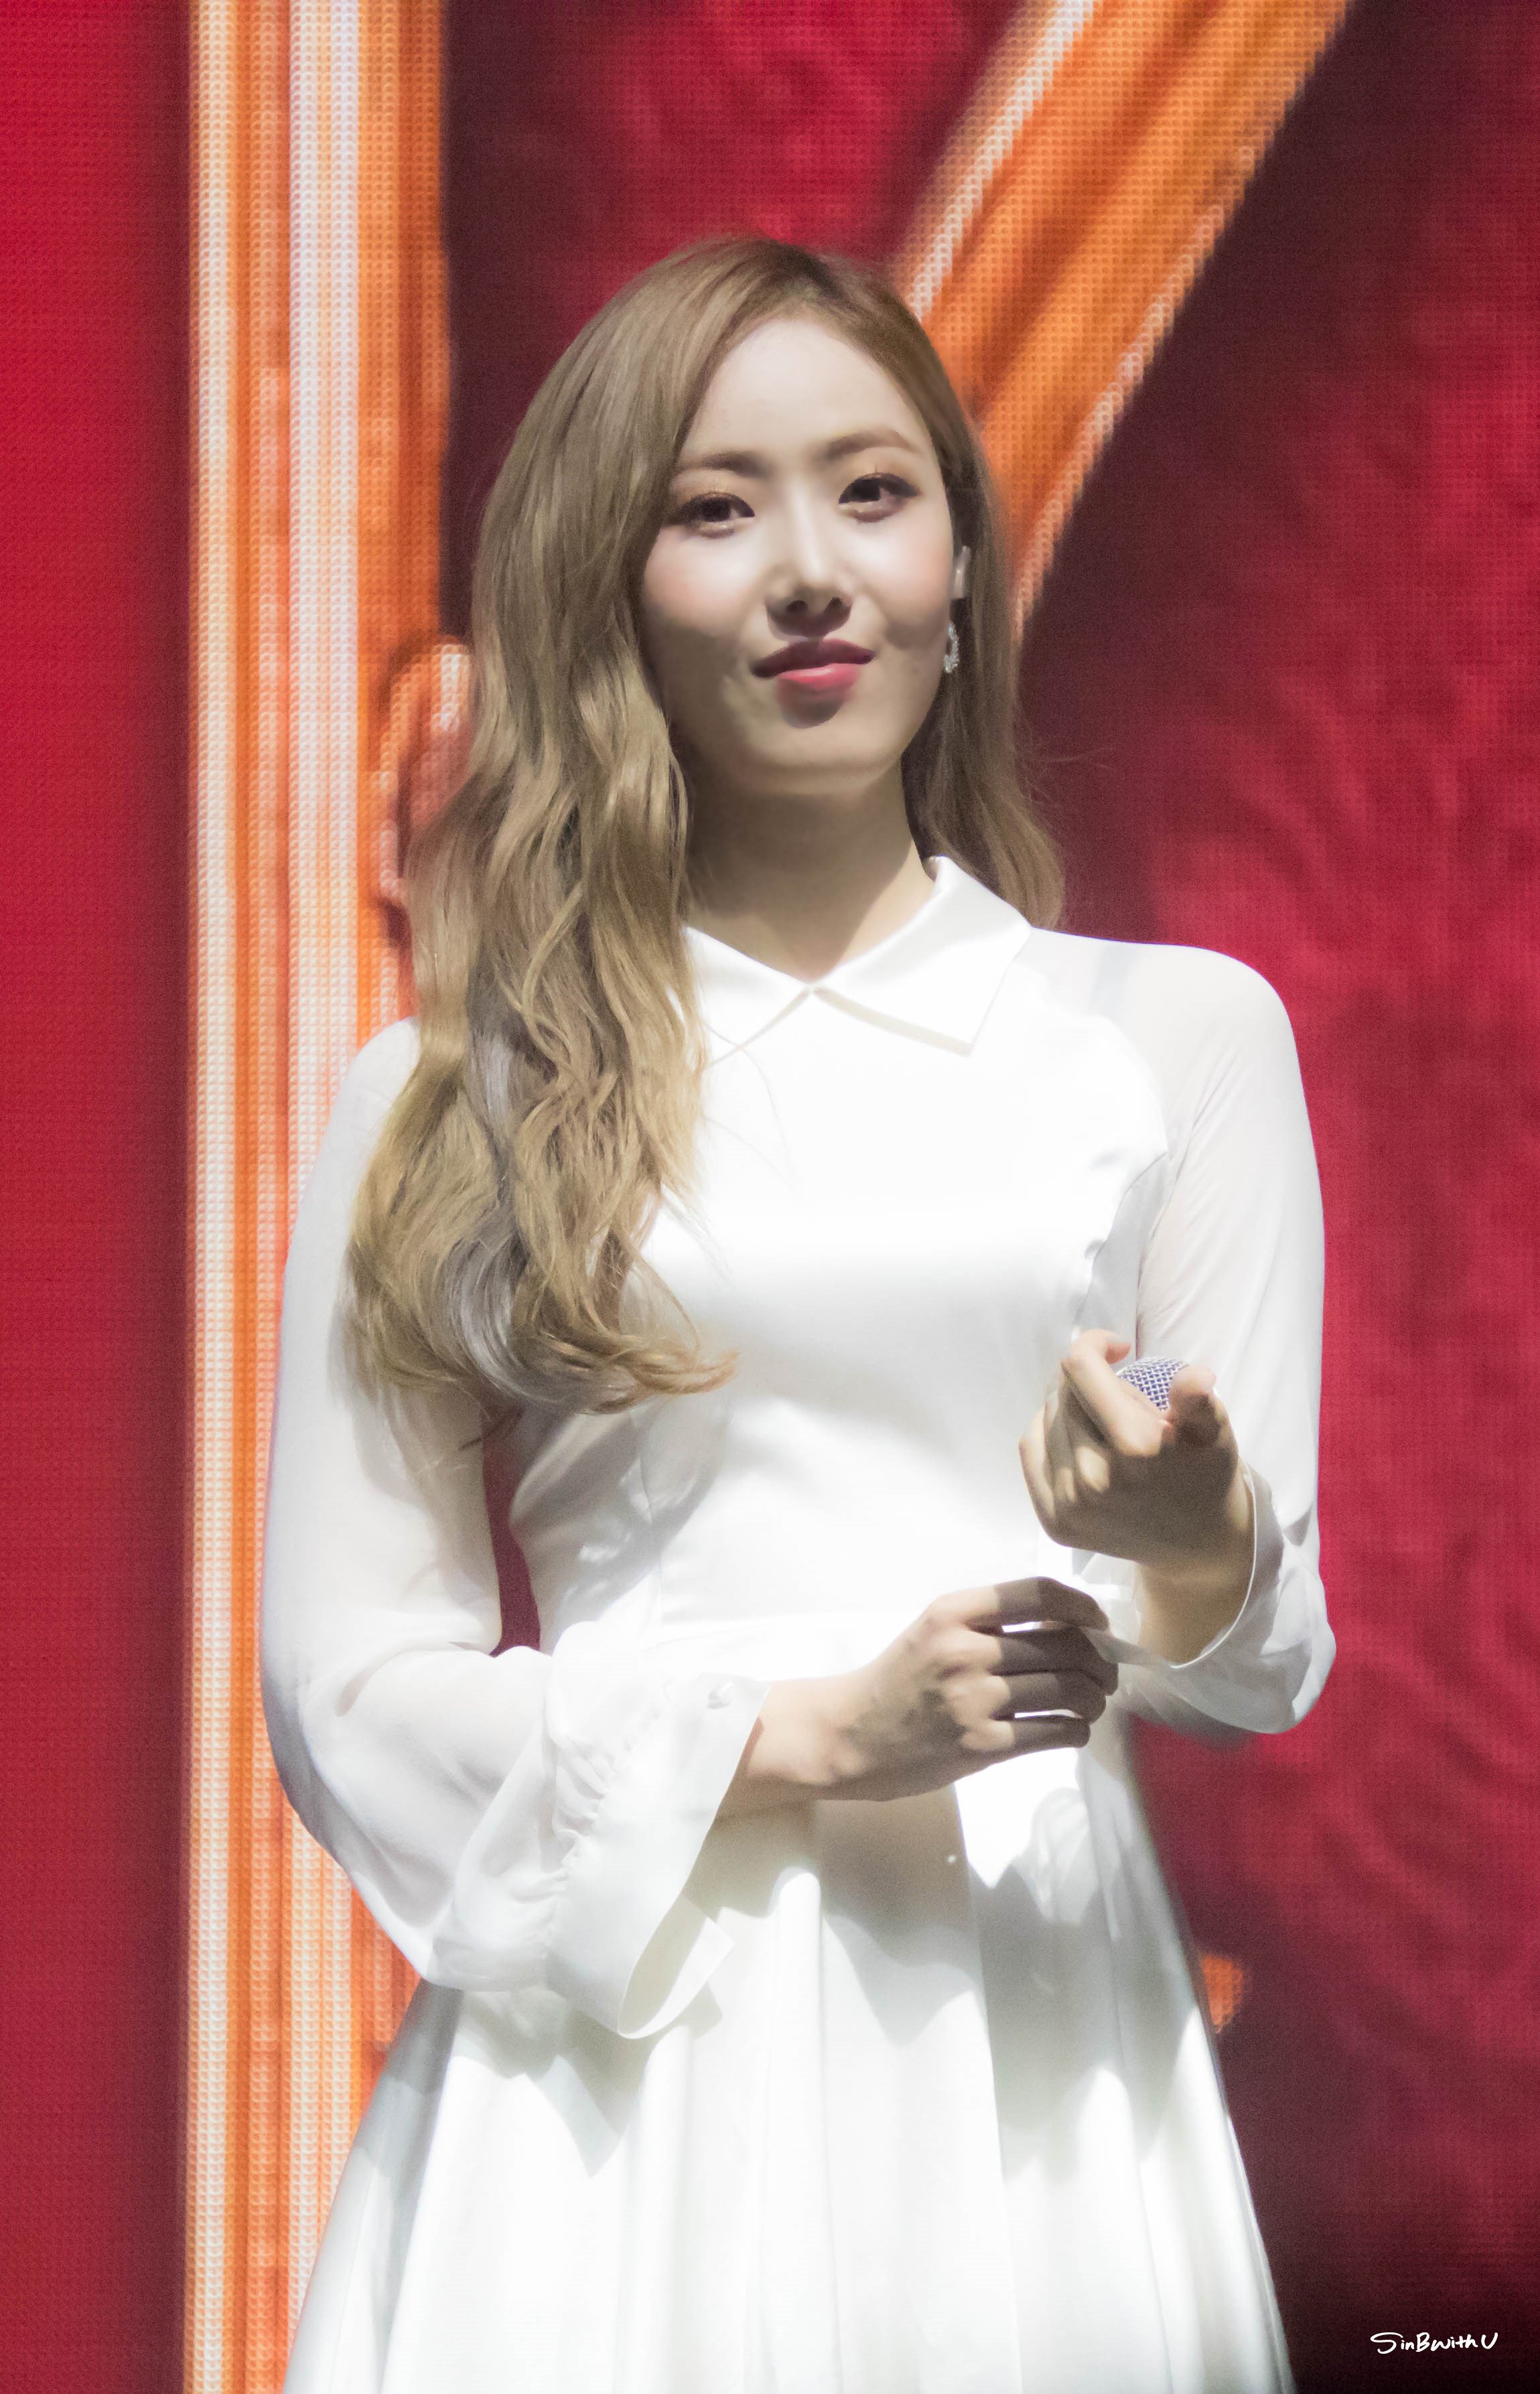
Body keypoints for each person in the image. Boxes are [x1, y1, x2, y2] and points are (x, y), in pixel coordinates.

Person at [261, 234, 1334, 2393]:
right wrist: (805, 1736)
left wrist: (1186, 1527)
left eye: (870, 491)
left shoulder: (1170, 1038)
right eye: (714, 507)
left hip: (1030, 2053)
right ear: (609, 588)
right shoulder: (444, 1099)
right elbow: (345, 1688)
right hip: (609, 2071)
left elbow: (1260, 1662)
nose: (810, 574)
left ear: (959, 564)